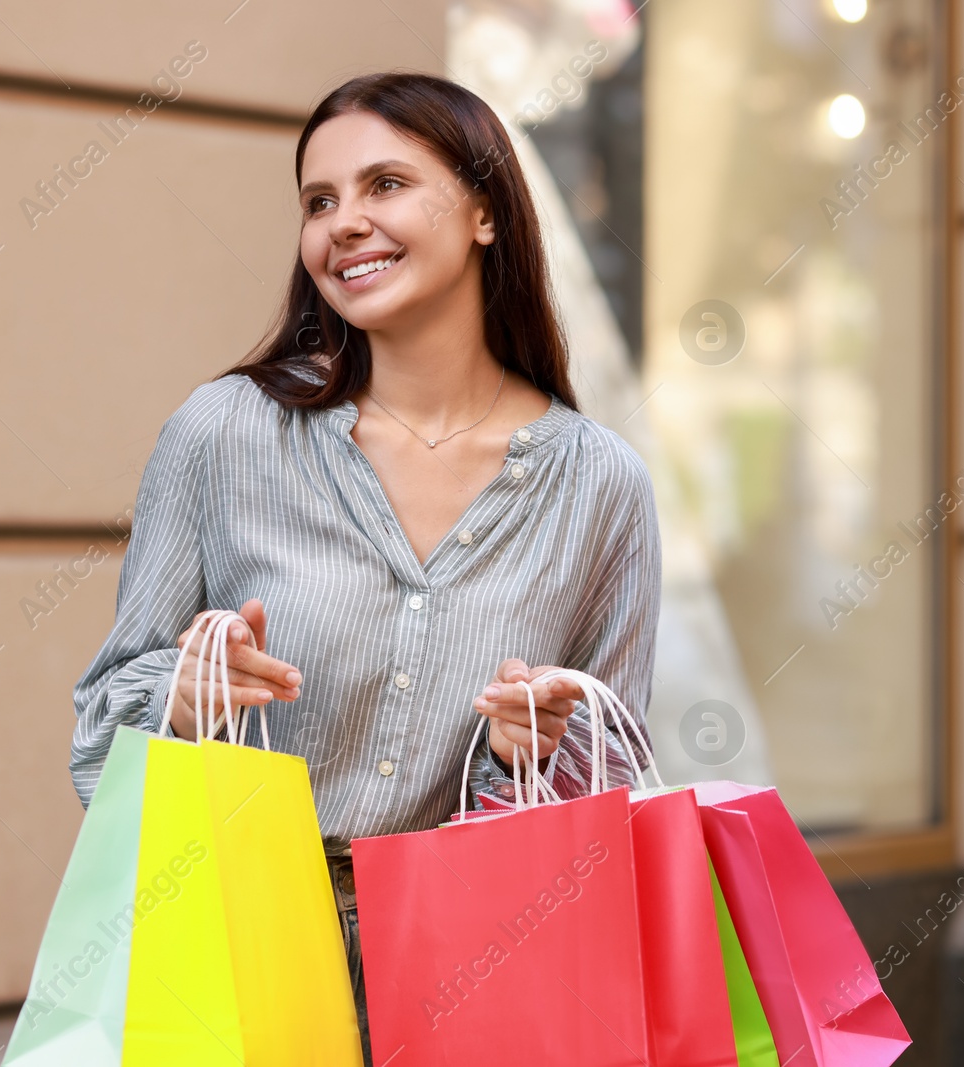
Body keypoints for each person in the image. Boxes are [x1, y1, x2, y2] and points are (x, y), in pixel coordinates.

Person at [69, 70, 661, 1064]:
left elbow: (612, 788)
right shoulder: (222, 436)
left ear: (483, 211)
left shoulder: (600, 483)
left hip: (485, 967)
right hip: (241, 947)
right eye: (318, 201)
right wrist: (183, 694)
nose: (344, 223)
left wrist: (538, 746)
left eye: (385, 184)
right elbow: (101, 721)